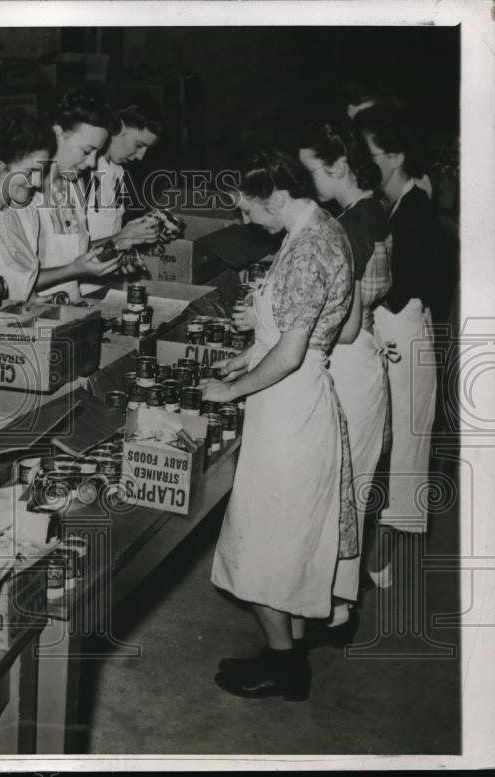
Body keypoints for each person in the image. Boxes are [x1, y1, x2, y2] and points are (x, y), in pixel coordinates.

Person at [203, 149, 356, 700]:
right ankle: (283, 657)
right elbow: (305, 332)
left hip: (289, 409)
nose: (247, 222)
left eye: (248, 209)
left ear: (278, 197)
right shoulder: (317, 231)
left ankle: (285, 667)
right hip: (292, 400)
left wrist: (232, 388)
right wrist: (249, 356)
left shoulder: (309, 248)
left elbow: (292, 353)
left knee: (262, 539)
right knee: (285, 539)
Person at [298, 117, 393, 638]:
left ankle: (334, 610)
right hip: (367, 365)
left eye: (312, 169)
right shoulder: (369, 209)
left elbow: (350, 327)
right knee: (350, 489)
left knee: (342, 490)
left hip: (352, 364)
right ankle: (335, 602)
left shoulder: (351, 226)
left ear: (336, 166)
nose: (309, 179)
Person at [355, 106, 449, 585]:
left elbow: (409, 282)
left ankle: (382, 557)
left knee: (404, 448)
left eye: (369, 154)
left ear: (393, 157)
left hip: (404, 333)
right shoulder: (385, 202)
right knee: (378, 441)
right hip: (385, 329)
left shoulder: (416, 209)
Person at [0, 112, 119, 301]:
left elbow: (25, 286)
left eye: (42, 171)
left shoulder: (25, 211)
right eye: (31, 171)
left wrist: (38, 303)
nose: (38, 183)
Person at [31, 89, 125, 300]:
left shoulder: (73, 186)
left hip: (72, 309)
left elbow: (78, 256)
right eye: (86, 151)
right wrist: (74, 270)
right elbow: (14, 281)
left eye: (97, 153)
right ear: (57, 133)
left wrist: (118, 246)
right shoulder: (25, 194)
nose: (91, 162)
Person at [86, 95, 165, 247]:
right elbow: (68, 257)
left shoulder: (117, 170)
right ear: (119, 126)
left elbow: (110, 233)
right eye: (139, 144)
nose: (141, 156)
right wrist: (121, 238)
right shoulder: (82, 171)